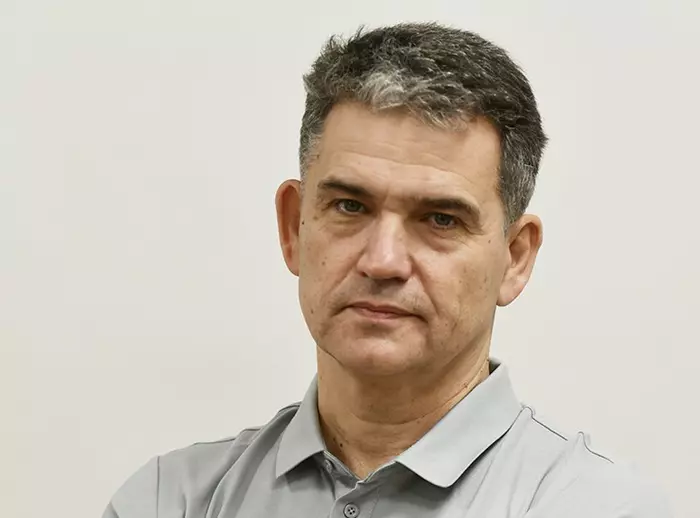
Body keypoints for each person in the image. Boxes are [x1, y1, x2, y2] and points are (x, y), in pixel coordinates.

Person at [103, 22, 671, 517]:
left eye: (441, 219)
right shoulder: (170, 501)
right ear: (294, 227)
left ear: (514, 258)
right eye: (350, 207)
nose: (383, 261)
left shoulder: (597, 507)